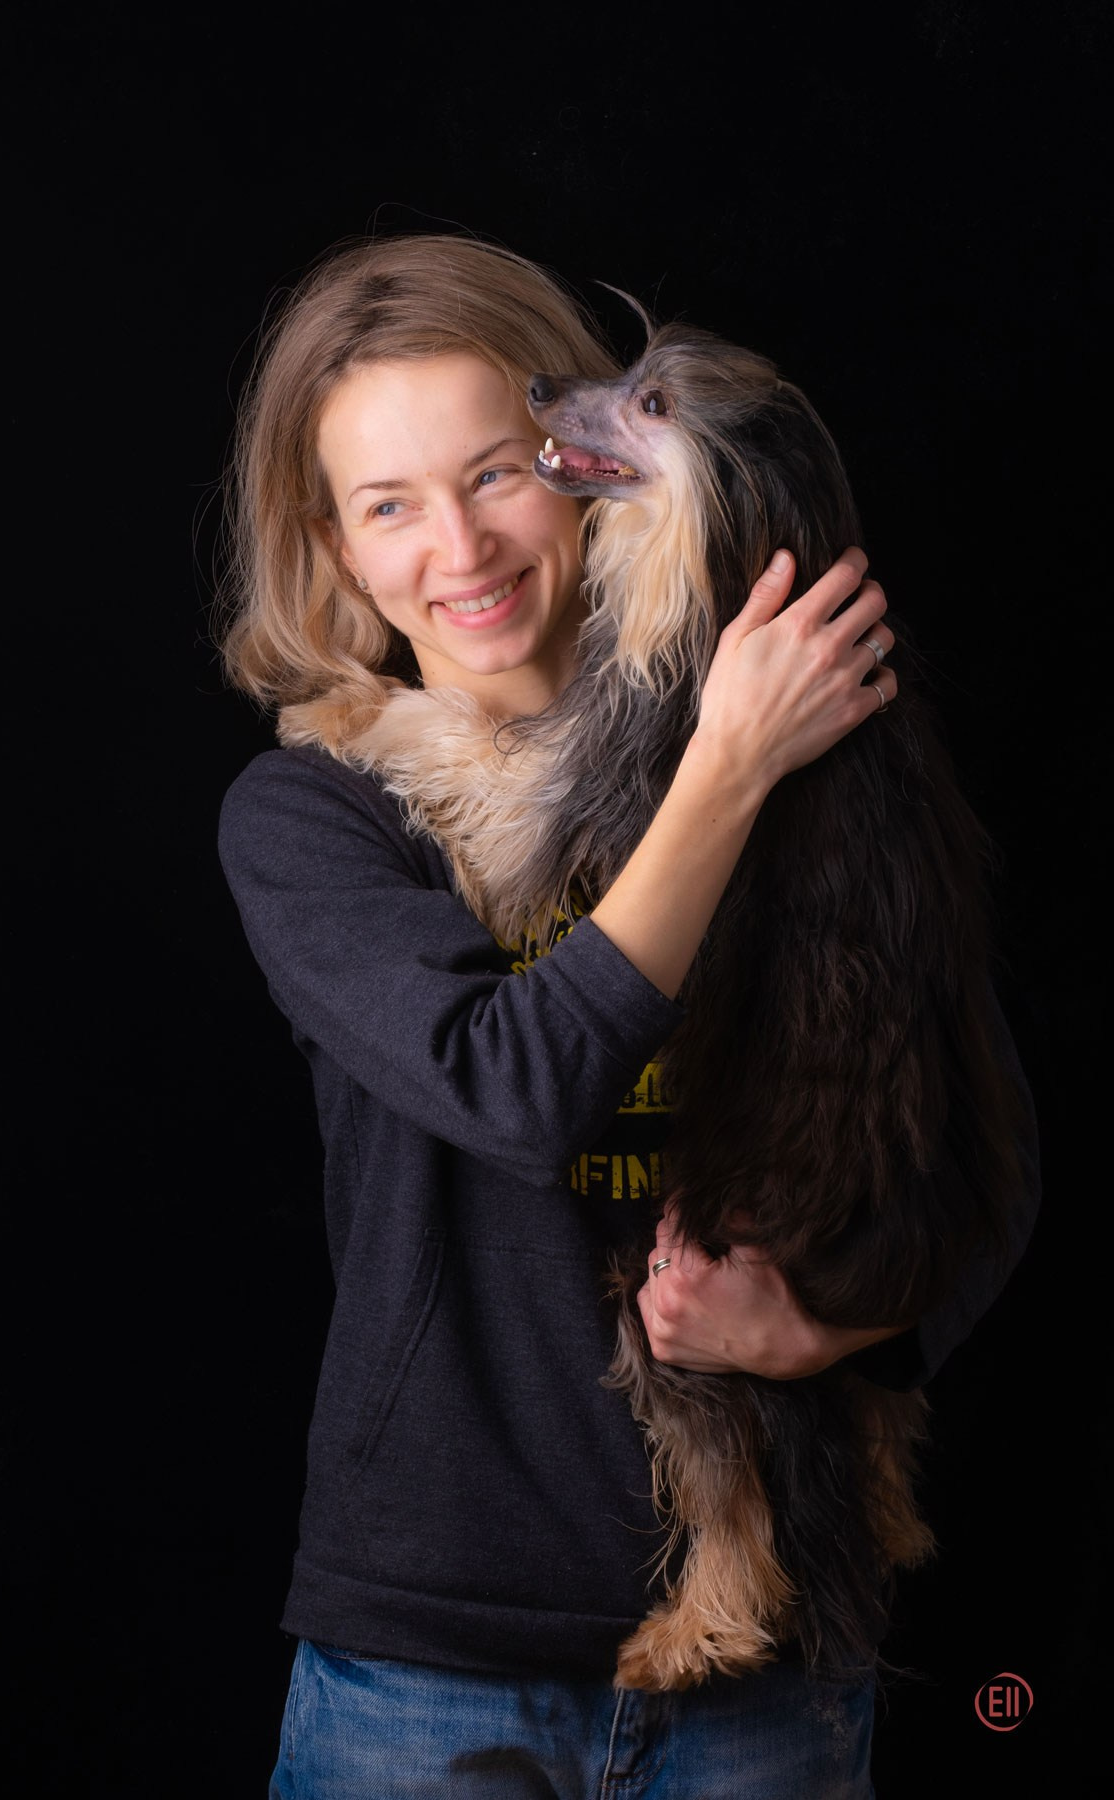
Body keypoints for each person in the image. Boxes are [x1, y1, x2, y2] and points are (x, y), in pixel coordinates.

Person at [216, 234, 1038, 1799]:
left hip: (771, 1659)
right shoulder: (318, 815)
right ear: (331, 547)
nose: (461, 545)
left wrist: (836, 1327)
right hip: (430, 1661)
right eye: (389, 504)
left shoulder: (812, 747)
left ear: (592, 465)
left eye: (497, 472)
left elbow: (983, 1155)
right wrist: (726, 769)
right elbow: (514, 1093)